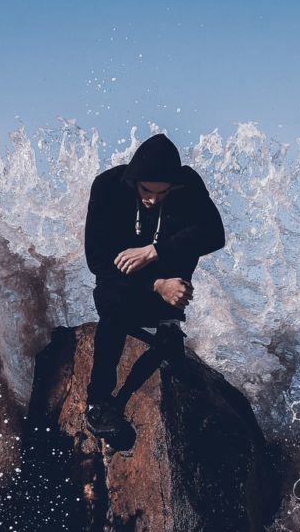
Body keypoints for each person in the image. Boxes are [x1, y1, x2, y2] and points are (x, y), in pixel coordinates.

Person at [84, 133, 225, 436]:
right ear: (134, 179)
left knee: (189, 233)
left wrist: (155, 251)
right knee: (115, 307)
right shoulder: (108, 187)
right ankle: (97, 402)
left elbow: (215, 234)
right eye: (147, 190)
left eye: (162, 193)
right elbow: (97, 261)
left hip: (168, 293)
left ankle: (167, 325)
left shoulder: (187, 184)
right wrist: (157, 283)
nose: (152, 199)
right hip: (118, 286)